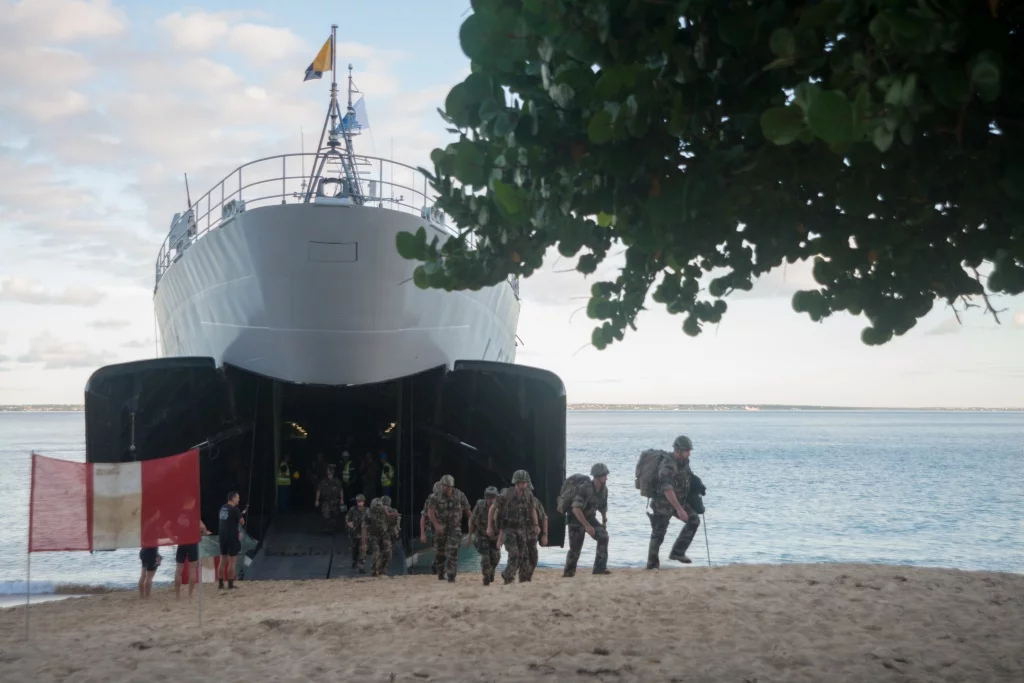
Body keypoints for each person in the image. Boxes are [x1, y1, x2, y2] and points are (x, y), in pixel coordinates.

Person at [647, 435, 701, 568]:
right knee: (659, 533)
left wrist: (697, 486)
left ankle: (678, 552)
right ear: (678, 450)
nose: (689, 453)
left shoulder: (684, 463)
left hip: (679, 501)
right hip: (663, 503)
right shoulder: (667, 465)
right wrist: (679, 509)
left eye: (689, 450)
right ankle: (652, 564)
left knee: (694, 519)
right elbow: (667, 489)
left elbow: (688, 478)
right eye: (687, 450)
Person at [488, 470, 540, 585]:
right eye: (523, 482)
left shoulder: (528, 495)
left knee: (521, 556)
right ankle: (508, 578)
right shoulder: (506, 494)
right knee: (514, 554)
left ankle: (507, 575)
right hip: (508, 530)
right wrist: (489, 527)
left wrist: (536, 525)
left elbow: (532, 510)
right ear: (517, 482)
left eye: (526, 482)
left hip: (522, 530)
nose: (525, 484)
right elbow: (492, 508)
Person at [564, 463, 610, 577]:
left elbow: (603, 507)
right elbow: (575, 509)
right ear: (597, 476)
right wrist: (587, 526)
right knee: (575, 550)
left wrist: (604, 521)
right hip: (576, 519)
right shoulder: (584, 488)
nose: (606, 478)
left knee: (603, 536)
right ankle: (568, 574)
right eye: (604, 475)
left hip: (590, 518)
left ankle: (599, 569)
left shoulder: (604, 490)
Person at [427, 474, 472, 582]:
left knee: (453, 550)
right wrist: (436, 524)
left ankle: (451, 575)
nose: (444, 488)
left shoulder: (460, 495)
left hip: (454, 527)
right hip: (441, 527)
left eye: (446, 486)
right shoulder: (435, 496)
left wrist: (471, 528)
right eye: (443, 485)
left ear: (451, 486)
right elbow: (430, 512)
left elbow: (468, 512)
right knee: (440, 553)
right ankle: (440, 573)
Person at [467, 486, 500, 585]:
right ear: (486, 498)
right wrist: (469, 536)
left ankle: (491, 570)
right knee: (485, 558)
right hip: (482, 535)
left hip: (495, 536)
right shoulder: (480, 506)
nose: (491, 500)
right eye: (489, 498)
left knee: (495, 558)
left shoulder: (501, 507)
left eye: (493, 497)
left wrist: (501, 538)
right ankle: (486, 578)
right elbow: (472, 522)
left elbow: (504, 524)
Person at [174, 520, 210, 600]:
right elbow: (203, 527)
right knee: (192, 570)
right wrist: (204, 533)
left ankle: (177, 596)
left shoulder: (179, 515)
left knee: (178, 570)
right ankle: (190, 595)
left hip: (182, 542)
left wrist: (172, 538)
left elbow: (168, 527)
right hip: (193, 543)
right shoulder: (194, 516)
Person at [363, 498, 399, 577]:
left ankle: (383, 570)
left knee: (388, 551)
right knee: (376, 552)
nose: (377, 508)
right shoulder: (368, 512)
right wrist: (364, 542)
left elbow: (393, 523)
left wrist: (395, 532)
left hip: (384, 534)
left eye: (379, 506)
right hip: (373, 536)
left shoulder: (387, 510)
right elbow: (364, 527)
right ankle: (374, 572)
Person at [218, 491, 245, 590]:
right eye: (238, 498)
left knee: (222, 560)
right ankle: (230, 584)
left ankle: (220, 583)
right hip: (232, 537)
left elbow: (227, 520)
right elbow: (242, 522)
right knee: (232, 561)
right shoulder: (235, 509)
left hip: (222, 536)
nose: (239, 500)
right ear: (233, 498)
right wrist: (240, 515)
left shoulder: (223, 508)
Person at [525, 491, 549, 582]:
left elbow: (543, 518)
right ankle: (523, 579)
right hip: (518, 534)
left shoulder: (535, 501)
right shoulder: (514, 500)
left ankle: (527, 577)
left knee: (533, 558)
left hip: (531, 534)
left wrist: (545, 534)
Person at [315, 464, 344, 532]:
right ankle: (328, 527)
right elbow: (319, 490)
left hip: (335, 501)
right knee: (326, 515)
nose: (329, 476)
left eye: (331, 474)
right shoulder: (323, 481)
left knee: (335, 515)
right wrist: (317, 500)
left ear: (333, 474)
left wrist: (342, 499)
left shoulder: (337, 481)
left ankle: (333, 527)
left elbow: (341, 490)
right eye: (328, 474)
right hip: (326, 501)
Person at [346, 494, 368, 572]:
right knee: (354, 549)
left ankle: (361, 566)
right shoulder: (352, 509)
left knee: (363, 549)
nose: (359, 503)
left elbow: (372, 520)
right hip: (354, 533)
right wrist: (349, 523)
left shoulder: (367, 510)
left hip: (363, 534)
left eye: (361, 501)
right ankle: (354, 560)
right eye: (358, 501)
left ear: (364, 502)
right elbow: (348, 518)